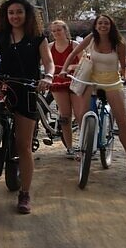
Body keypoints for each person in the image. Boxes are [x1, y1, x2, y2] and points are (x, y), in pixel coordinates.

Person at [0, 0, 55, 214]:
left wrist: (49, 77)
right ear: (6, 16)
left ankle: (24, 193)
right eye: (11, 13)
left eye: (19, 12)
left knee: (23, 145)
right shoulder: (1, 37)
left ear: (27, 15)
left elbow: (49, 63)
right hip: (3, 88)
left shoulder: (38, 38)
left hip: (26, 90)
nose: (15, 16)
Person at [59, 14, 126, 181]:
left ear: (111, 26)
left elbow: (124, 67)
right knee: (82, 115)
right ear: (95, 26)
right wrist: (64, 70)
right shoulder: (91, 39)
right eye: (100, 23)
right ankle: (83, 147)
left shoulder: (119, 43)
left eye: (106, 23)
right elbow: (74, 53)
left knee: (123, 124)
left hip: (112, 82)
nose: (103, 26)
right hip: (91, 80)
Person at [48, 20, 82, 158]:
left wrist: (70, 67)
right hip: (58, 83)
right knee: (65, 115)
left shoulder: (74, 45)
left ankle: (84, 144)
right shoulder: (49, 47)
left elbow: (84, 62)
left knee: (80, 115)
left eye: (59, 30)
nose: (56, 33)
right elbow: (45, 63)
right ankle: (69, 147)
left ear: (65, 30)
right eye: (54, 31)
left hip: (75, 81)